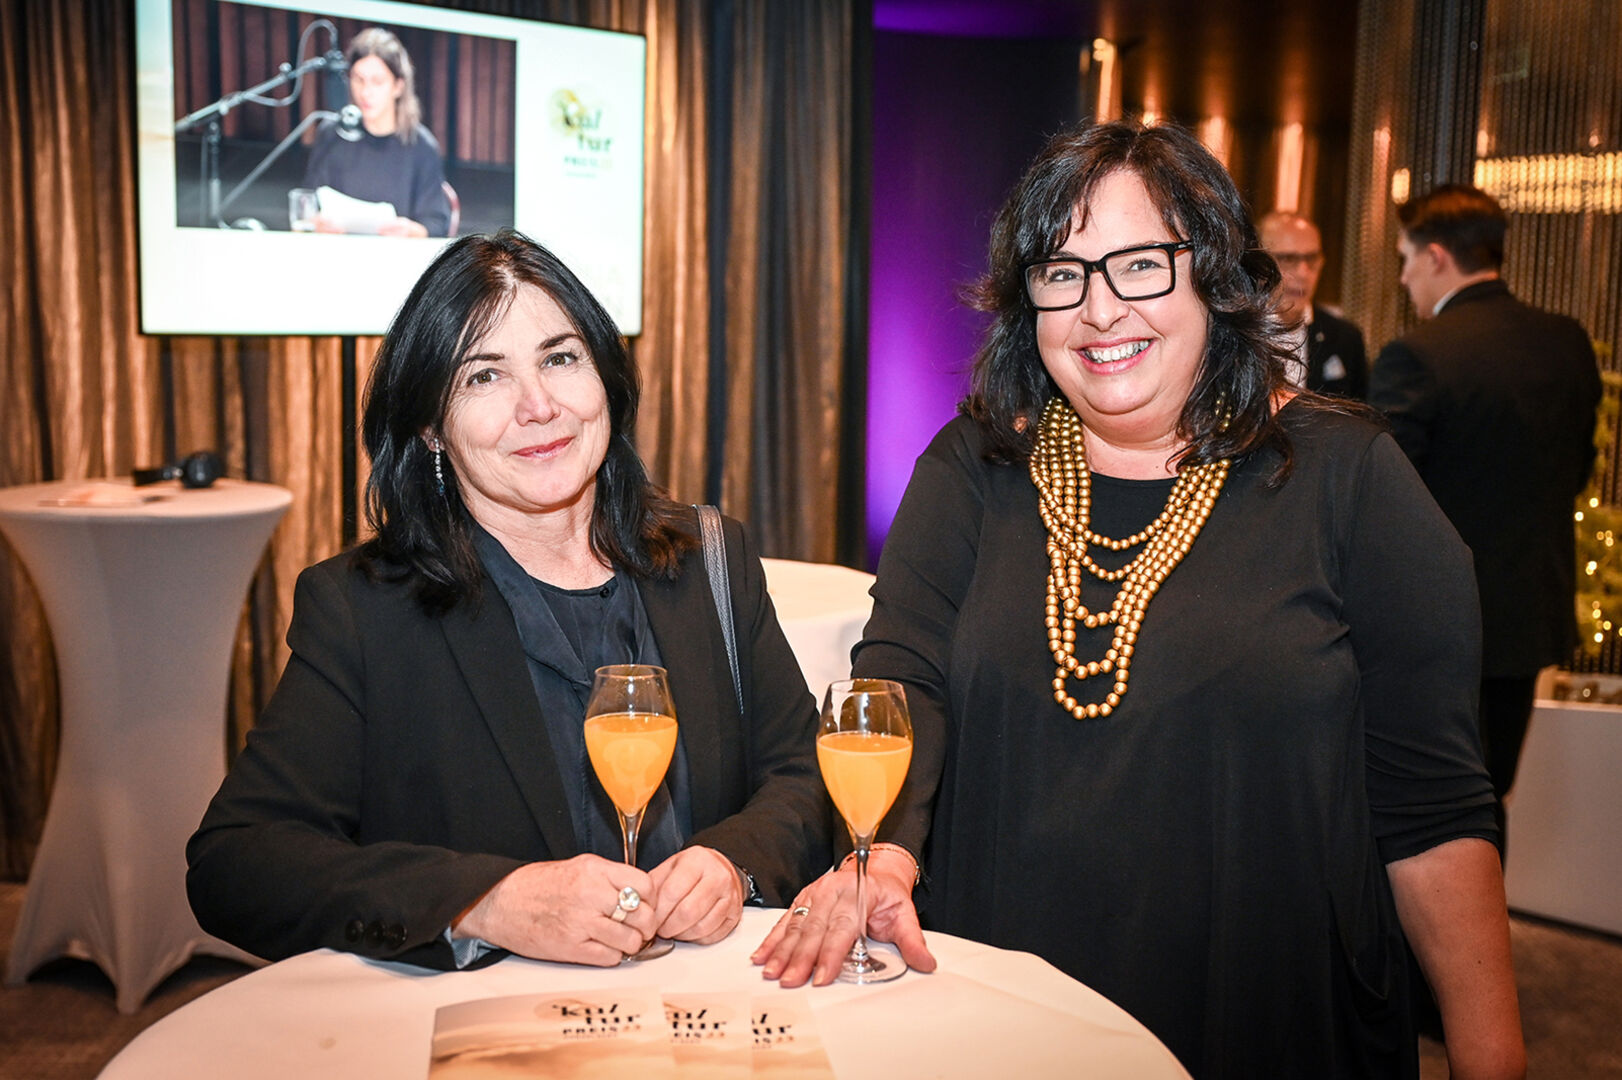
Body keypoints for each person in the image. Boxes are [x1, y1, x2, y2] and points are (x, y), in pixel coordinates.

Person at [757, 123, 1524, 1079]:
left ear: (1214, 277)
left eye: (1139, 266)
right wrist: (889, 857)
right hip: (1001, 997)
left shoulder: (1348, 478)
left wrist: (1493, 1060)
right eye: (1062, 272)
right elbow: (904, 674)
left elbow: (1435, 808)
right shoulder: (976, 467)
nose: (1098, 309)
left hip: (1259, 1010)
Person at [187, 229, 830, 970]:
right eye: (483, 377)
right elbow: (237, 863)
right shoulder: (364, 609)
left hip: (700, 1016)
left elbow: (804, 775)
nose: (539, 405)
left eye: (560, 358)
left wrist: (733, 863)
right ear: (429, 425)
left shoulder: (712, 559)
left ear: (605, 379)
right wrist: (485, 902)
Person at [1369, 184, 1601, 855]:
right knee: (1488, 796)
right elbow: (1579, 470)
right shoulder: (1566, 342)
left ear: (1437, 256)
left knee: (1424, 810)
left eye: (1407, 259)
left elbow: (1387, 502)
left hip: (1436, 620)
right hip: (1530, 612)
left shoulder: (1419, 353)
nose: (1405, 276)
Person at [301, 27, 452, 238]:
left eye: (377, 82)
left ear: (398, 86)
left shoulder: (421, 146)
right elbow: (308, 202)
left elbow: (437, 222)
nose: (365, 92)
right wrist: (315, 222)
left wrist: (413, 230)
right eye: (358, 79)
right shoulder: (332, 134)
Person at [1257, 209, 1368, 398]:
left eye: (1311, 259)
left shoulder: (1344, 338)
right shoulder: (1234, 330)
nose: (1303, 273)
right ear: (1259, 263)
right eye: (1288, 259)